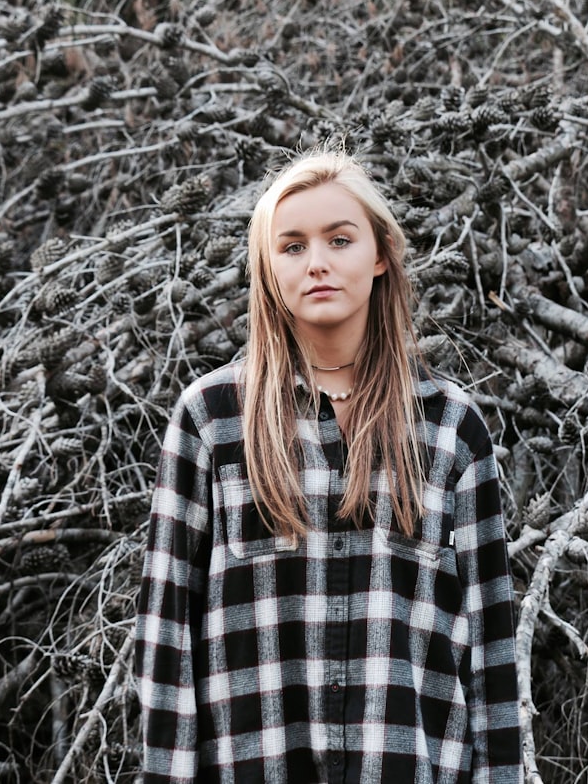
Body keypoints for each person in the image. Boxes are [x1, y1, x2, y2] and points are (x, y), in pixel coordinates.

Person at [134, 150, 521, 783]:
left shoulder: (450, 427)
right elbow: (166, 630)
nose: (316, 262)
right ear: (268, 267)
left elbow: (492, 643)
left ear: (380, 255)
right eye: (292, 246)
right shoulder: (213, 420)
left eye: (339, 240)